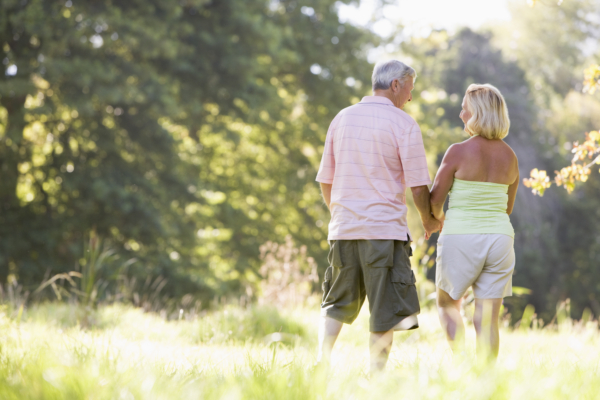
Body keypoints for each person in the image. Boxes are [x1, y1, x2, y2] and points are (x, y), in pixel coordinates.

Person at [315, 60, 441, 373]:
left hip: (343, 228)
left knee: (337, 300)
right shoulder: (403, 123)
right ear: (396, 85)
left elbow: (325, 180)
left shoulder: (341, 119)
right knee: (385, 307)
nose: (410, 98)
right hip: (384, 231)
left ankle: (322, 361)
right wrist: (429, 220)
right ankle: (376, 376)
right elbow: (418, 185)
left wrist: (341, 214)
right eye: (409, 90)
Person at [429, 83, 519, 361]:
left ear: (478, 114)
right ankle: (485, 378)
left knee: (447, 304)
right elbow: (507, 208)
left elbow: (434, 201)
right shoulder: (511, 157)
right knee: (488, 317)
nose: (461, 115)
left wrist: (439, 218)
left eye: (465, 110)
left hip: (460, 235)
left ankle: (460, 364)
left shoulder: (457, 151)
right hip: (500, 239)